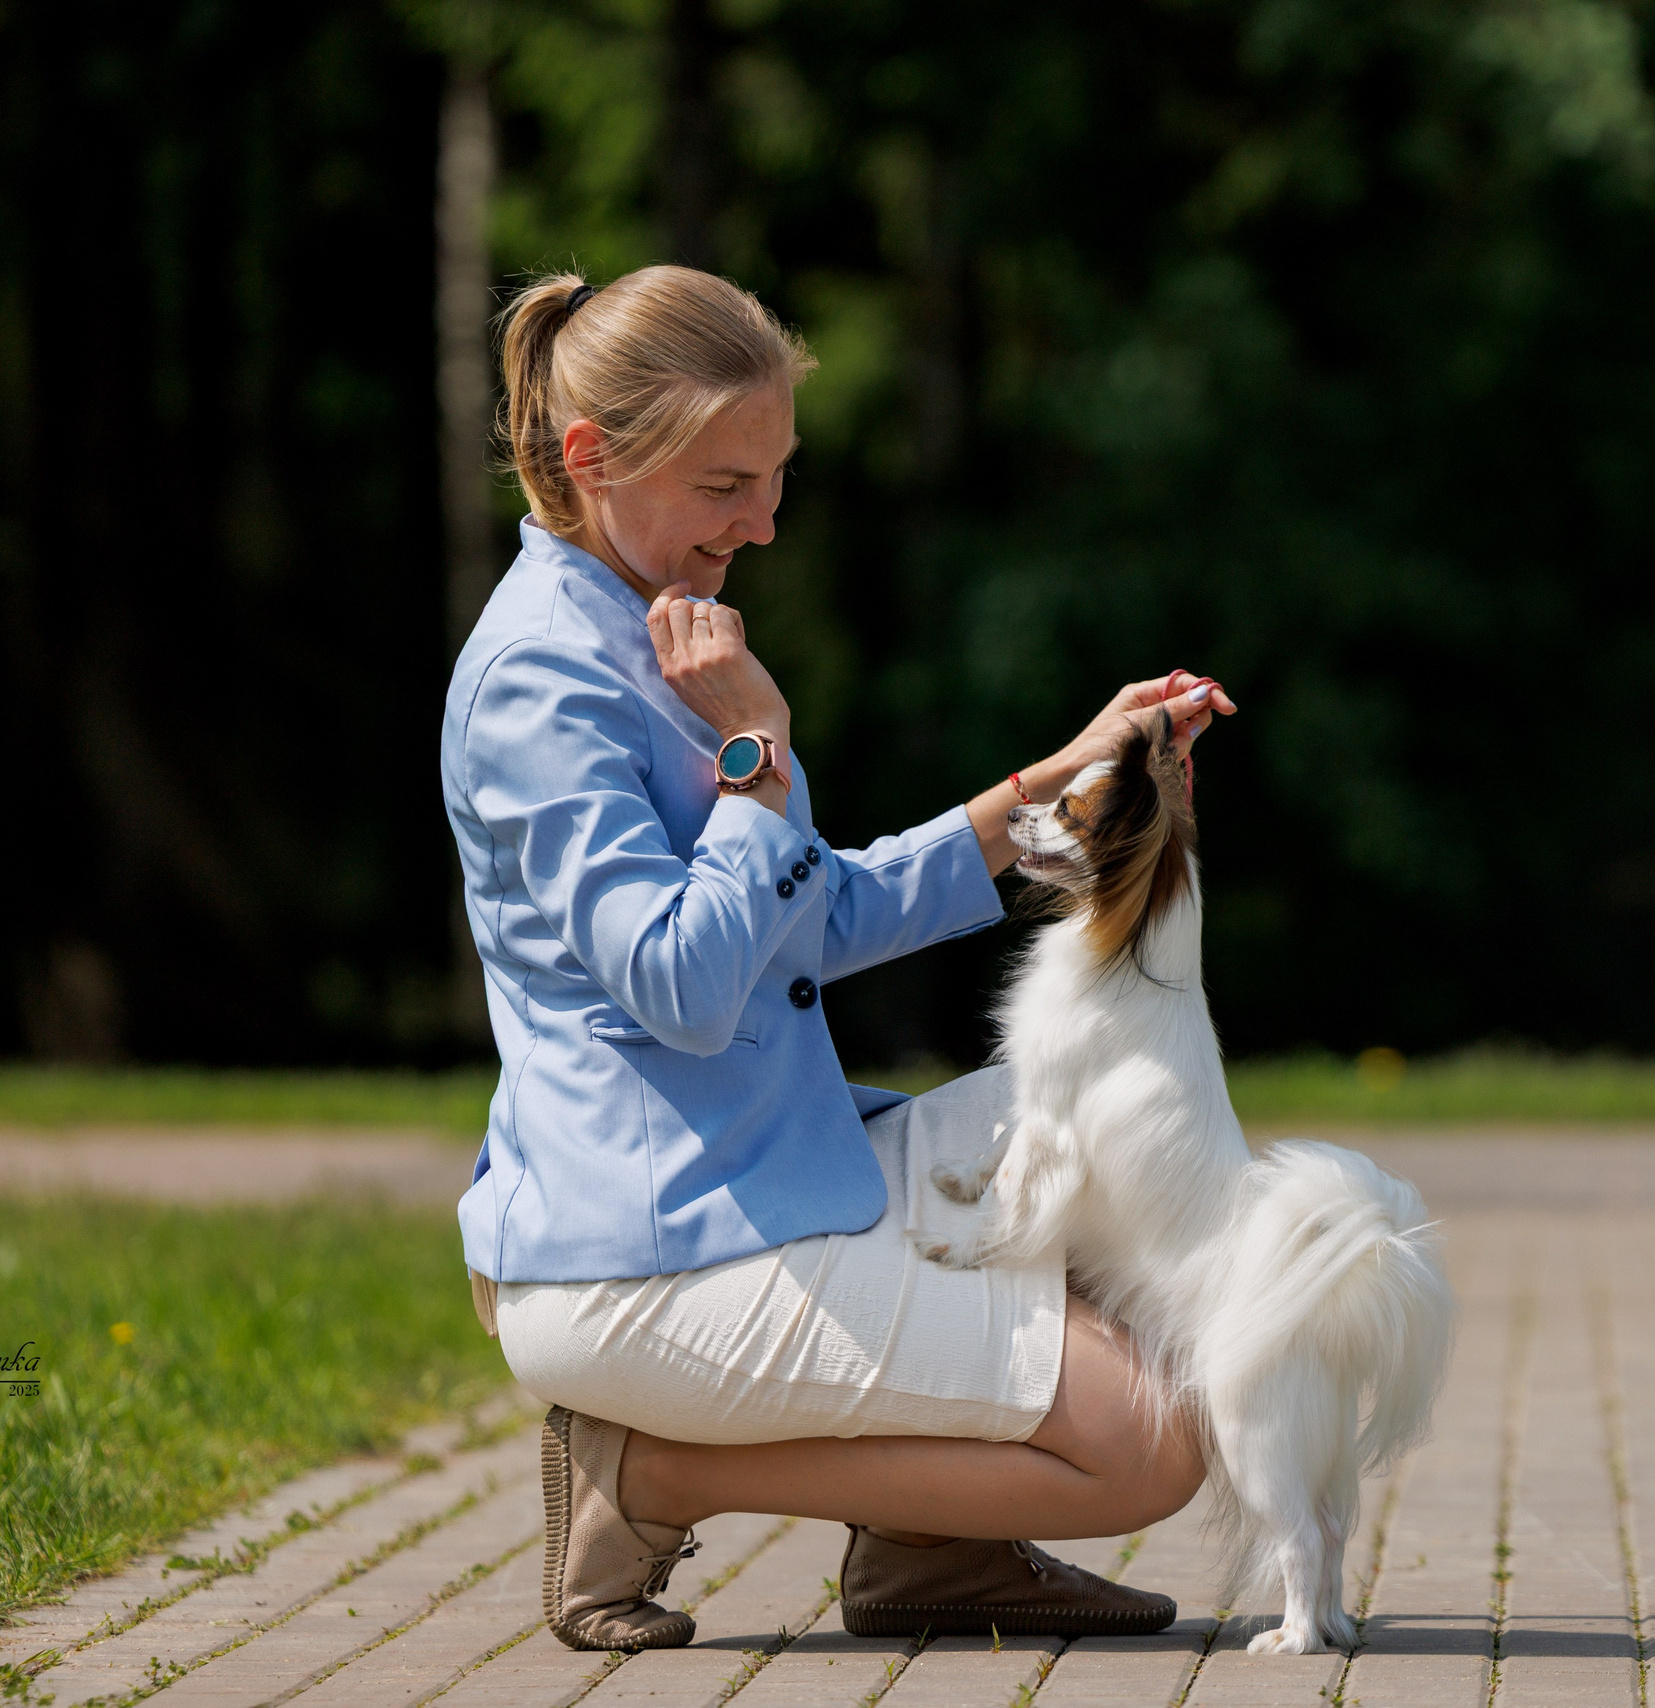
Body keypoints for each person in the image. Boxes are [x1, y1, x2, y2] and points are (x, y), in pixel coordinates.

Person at [441, 264, 1239, 1653]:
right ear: (591, 458)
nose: (761, 522)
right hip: (646, 1260)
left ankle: (928, 1557)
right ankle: (646, 1469)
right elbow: (682, 988)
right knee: (1158, 1439)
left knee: (1146, 1199)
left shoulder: (649, 632)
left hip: (767, 1174)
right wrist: (755, 763)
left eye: (777, 475)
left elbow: (817, 914)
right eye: (724, 484)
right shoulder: (542, 680)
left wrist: (1062, 796)